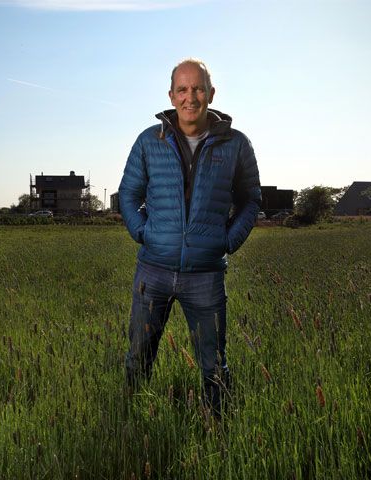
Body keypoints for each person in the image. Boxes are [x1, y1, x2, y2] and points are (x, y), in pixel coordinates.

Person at [118, 58, 261, 418]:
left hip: (206, 275)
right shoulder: (150, 141)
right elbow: (128, 195)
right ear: (171, 95)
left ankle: (218, 432)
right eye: (182, 89)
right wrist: (144, 234)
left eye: (197, 88)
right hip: (154, 271)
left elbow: (250, 200)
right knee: (138, 358)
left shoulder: (236, 144)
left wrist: (226, 242)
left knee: (214, 366)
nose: (190, 97)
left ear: (211, 93)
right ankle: (131, 426)